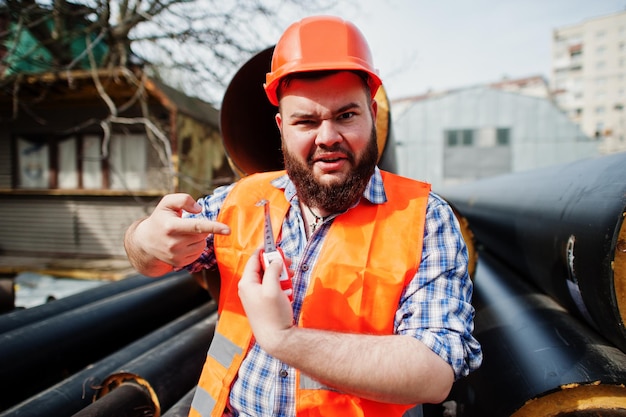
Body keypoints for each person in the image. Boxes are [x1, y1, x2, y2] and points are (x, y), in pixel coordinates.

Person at [124, 15, 482, 417]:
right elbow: (150, 261)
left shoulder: (424, 220)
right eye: (306, 121)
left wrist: (283, 339)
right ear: (281, 127)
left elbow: (434, 373)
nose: (327, 137)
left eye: (346, 115)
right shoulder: (240, 201)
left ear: (372, 113)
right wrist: (143, 238)